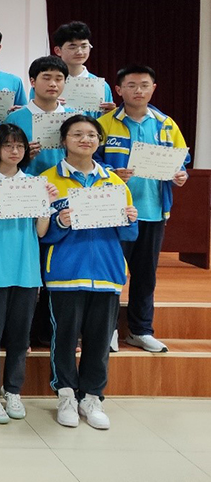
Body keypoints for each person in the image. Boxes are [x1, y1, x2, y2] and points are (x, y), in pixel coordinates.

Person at [40, 115, 138, 430]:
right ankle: (66, 395)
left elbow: (130, 234)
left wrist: (130, 218)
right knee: (65, 338)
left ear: (99, 141)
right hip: (65, 273)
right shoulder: (47, 181)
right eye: (77, 134)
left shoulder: (115, 182)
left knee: (99, 340)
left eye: (92, 135)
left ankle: (92, 397)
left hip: (107, 273)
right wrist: (60, 223)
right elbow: (40, 233)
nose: (86, 140)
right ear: (64, 140)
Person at [0, 124, 57, 423]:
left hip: (26, 270)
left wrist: (46, 206)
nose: (14, 150)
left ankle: (14, 390)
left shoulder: (34, 183)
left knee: (20, 337)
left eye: (19, 145)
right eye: (8, 145)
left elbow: (41, 232)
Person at [97, 65, 189, 353]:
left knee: (145, 275)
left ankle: (140, 331)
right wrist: (111, 173)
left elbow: (180, 161)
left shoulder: (166, 124)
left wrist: (181, 175)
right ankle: (108, 330)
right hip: (115, 212)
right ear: (118, 89)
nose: (138, 90)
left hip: (152, 211)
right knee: (112, 273)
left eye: (144, 85)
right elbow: (90, 159)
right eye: (131, 85)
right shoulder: (104, 123)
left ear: (153, 88)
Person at [4, 56, 74, 175]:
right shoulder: (14, 119)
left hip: (66, 182)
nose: (53, 84)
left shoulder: (74, 118)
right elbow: (1, 160)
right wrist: (22, 156)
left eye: (58, 79)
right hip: (26, 183)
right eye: (46, 78)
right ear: (33, 82)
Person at [49, 21, 116, 118]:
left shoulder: (101, 86)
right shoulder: (45, 83)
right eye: (72, 47)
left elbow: (105, 121)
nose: (80, 52)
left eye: (84, 46)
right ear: (58, 50)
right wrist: (47, 106)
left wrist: (110, 114)